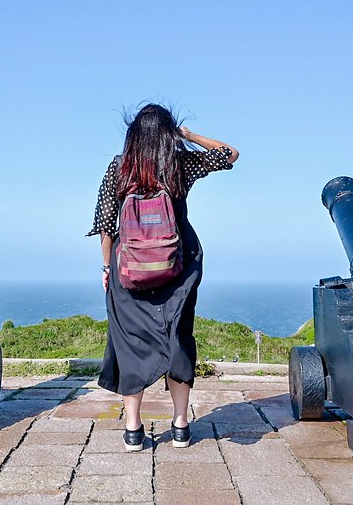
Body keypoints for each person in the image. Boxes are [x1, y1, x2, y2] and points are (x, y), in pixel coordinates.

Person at [87, 104, 238, 451]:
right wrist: (187, 136)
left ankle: (133, 429)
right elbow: (230, 155)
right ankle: (181, 426)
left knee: (129, 345)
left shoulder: (119, 168)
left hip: (129, 271)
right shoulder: (179, 165)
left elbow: (106, 226)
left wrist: (108, 268)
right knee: (178, 339)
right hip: (177, 270)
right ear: (168, 133)